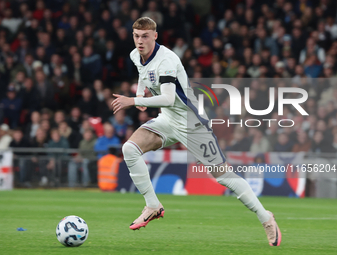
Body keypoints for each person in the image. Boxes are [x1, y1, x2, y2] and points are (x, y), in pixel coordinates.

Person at [111, 17, 281, 246]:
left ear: (155, 36)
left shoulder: (167, 60)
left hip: (192, 124)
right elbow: (143, 74)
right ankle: (152, 205)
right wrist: (142, 93)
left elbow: (170, 98)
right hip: (168, 120)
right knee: (129, 149)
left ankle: (265, 217)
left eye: (144, 36)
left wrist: (133, 100)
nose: (139, 41)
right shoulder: (135, 55)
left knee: (224, 176)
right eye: (136, 36)